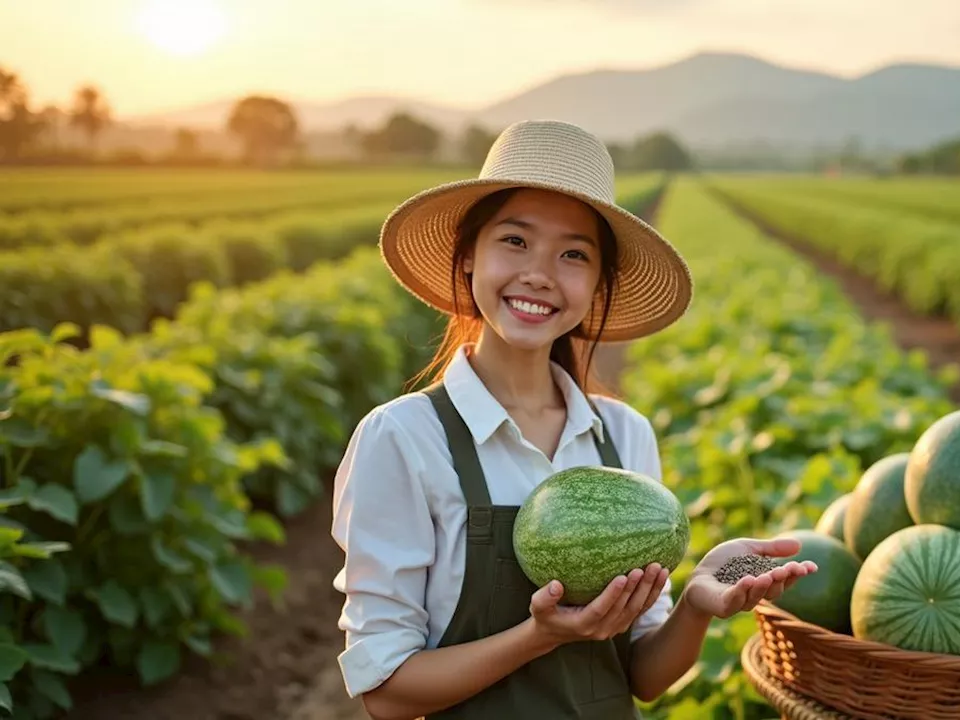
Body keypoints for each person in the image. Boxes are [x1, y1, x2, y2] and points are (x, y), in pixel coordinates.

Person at [331, 119, 818, 720]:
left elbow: (641, 675)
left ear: (596, 285)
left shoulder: (625, 435)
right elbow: (385, 692)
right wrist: (541, 636)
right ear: (467, 259)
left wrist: (695, 605)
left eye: (573, 254)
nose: (539, 272)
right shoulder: (403, 439)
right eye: (514, 241)